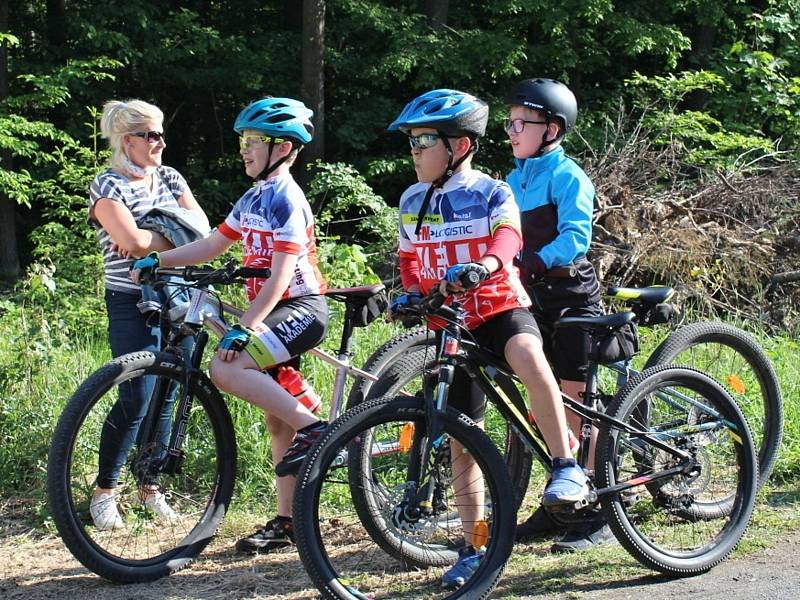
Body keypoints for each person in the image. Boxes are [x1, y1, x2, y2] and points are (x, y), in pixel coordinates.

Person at [387, 88, 590, 589]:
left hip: (498, 305)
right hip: (450, 323)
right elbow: (411, 258)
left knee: (527, 352)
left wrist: (490, 264)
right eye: (411, 141)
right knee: (461, 439)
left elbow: (509, 237)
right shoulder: (411, 199)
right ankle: (474, 546)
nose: (414, 150)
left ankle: (566, 464)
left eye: (425, 140)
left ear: (459, 145)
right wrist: (411, 292)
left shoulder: (492, 190)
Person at [131, 97, 329, 554]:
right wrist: (160, 259)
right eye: (243, 140)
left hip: (301, 310)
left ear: (283, 148)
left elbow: (281, 276)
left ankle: (315, 429)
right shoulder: (254, 196)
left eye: (254, 141)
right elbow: (214, 244)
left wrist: (247, 325)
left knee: (226, 368)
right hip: (275, 310)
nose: (244, 149)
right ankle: (290, 520)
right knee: (278, 421)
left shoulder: (286, 198)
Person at [88, 99, 210, 531]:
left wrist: (150, 235)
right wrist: (165, 235)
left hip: (179, 295)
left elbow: (200, 228)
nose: (161, 142)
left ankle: (149, 487)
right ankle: (105, 491)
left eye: (161, 133)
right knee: (136, 395)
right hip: (130, 300)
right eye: (152, 135)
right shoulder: (107, 185)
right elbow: (132, 244)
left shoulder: (170, 177)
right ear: (128, 141)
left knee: (169, 394)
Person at [505, 78, 612, 552]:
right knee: (538, 403)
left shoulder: (568, 176)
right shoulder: (512, 179)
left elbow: (576, 239)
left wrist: (533, 259)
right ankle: (557, 502)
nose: (511, 130)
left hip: (570, 295)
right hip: (529, 298)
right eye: (508, 122)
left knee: (574, 401)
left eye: (520, 123)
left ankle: (600, 511)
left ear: (551, 129)